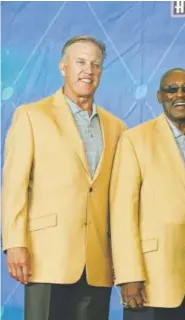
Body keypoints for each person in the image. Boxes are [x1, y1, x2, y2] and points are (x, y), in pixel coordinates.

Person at [1, 35, 126, 320]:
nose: (88, 70)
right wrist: (14, 243)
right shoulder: (32, 115)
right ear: (63, 67)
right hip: (46, 257)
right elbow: (14, 186)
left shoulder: (117, 127)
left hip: (98, 261)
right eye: (80, 62)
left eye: (95, 65)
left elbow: (117, 197)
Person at [109, 68, 185, 319]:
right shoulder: (134, 139)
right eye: (171, 89)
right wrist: (129, 275)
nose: (179, 94)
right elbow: (122, 214)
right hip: (153, 279)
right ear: (160, 96)